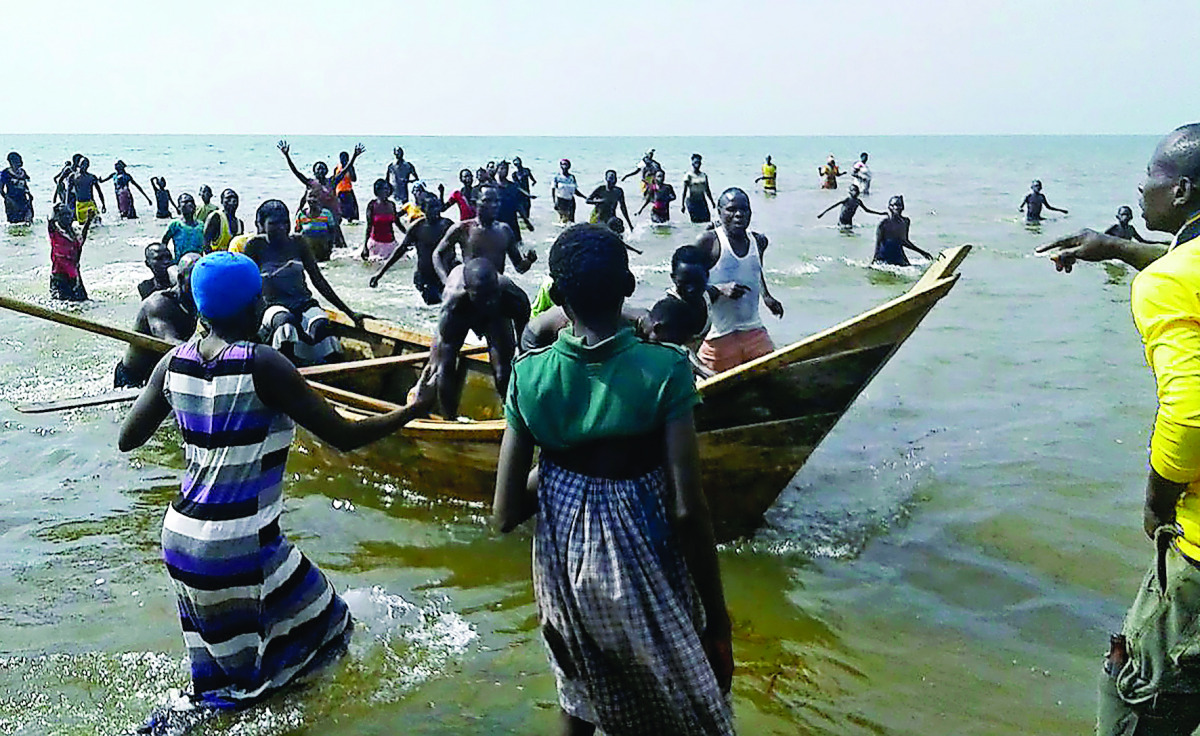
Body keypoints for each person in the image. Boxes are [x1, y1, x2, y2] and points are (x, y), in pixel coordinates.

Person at [118, 251, 434, 725]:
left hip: (181, 537)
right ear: (255, 304)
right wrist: (413, 407)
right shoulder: (263, 365)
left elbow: (128, 439)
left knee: (244, 657)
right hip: (239, 543)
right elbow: (344, 437)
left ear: (200, 310)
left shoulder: (172, 364)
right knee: (287, 658)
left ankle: (220, 712)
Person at [494, 223, 734, 736]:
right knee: (683, 702)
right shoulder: (665, 368)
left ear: (555, 296)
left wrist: (566, 466)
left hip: (563, 578)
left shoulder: (529, 376)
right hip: (645, 567)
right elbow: (688, 510)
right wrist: (719, 621)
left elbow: (505, 513)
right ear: (629, 286)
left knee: (579, 700)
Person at [1038, 123, 1200, 736]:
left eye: (1152, 175)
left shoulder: (1164, 286)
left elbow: (1190, 414)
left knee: (1132, 698)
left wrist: (1157, 501)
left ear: (1181, 190)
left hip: (1198, 545)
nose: (1142, 184)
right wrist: (1113, 246)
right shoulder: (1178, 268)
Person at [242, 200, 365, 365]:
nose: (281, 228)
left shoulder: (298, 243)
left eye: (285, 222)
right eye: (274, 223)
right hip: (272, 307)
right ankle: (285, 372)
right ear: (260, 225)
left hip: (303, 303)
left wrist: (350, 313)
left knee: (322, 325)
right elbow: (245, 288)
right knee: (285, 325)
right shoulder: (255, 246)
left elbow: (318, 280)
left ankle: (331, 373)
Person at [696, 187, 784, 373]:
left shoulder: (759, 241)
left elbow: (755, 270)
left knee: (774, 376)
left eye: (744, 209)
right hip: (718, 336)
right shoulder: (708, 242)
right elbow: (687, 285)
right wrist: (719, 289)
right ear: (719, 212)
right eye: (731, 209)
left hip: (753, 330)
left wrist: (767, 296)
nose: (739, 214)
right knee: (715, 389)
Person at [427, 258, 530, 417]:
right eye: (482, 296)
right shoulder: (453, 308)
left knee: (503, 372)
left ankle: (512, 413)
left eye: (492, 293)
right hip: (464, 313)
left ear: (497, 283)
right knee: (439, 370)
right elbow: (447, 367)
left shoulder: (513, 298)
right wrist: (449, 422)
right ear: (467, 289)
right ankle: (448, 418)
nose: (489, 301)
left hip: (496, 316)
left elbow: (526, 351)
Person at [114, 252, 199, 389]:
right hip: (134, 378)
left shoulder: (196, 298)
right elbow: (169, 343)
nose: (199, 286)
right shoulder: (158, 304)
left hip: (163, 369)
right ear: (181, 279)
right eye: (195, 280)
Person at [434, 185, 536, 285]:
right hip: (469, 288)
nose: (494, 205)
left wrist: (529, 260)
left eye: (497, 201)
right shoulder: (463, 229)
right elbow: (437, 254)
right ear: (474, 204)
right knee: (448, 301)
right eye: (487, 201)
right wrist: (446, 280)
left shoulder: (505, 230)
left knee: (521, 299)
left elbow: (519, 267)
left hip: (496, 287)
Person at [370, 192, 454, 304]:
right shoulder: (417, 227)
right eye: (431, 207)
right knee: (434, 305)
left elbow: (464, 245)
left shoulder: (448, 225)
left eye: (437, 206)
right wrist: (380, 273)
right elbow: (400, 250)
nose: (436, 210)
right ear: (423, 209)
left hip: (445, 275)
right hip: (425, 276)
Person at [48, 203, 94, 301]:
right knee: (61, 308)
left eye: (68, 214)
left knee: (83, 304)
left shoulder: (74, 234)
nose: (67, 217)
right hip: (60, 277)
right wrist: (55, 209)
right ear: (58, 217)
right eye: (63, 215)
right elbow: (50, 221)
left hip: (74, 276)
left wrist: (88, 221)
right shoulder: (56, 233)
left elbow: (82, 240)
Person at [874, 195, 933, 266]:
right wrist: (874, 260)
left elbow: (904, 241)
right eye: (893, 205)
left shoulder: (905, 221)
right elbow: (878, 244)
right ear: (889, 207)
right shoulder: (883, 224)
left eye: (899, 205)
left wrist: (922, 252)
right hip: (884, 255)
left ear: (903, 207)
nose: (896, 207)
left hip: (898, 253)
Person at [360, 179, 406, 261]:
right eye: (384, 189)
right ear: (377, 190)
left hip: (391, 243)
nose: (387, 191)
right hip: (376, 244)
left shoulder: (392, 205)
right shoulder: (372, 205)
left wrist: (410, 236)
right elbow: (369, 227)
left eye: (388, 189)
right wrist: (365, 247)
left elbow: (398, 223)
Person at [495, 160, 535, 241]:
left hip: (512, 223)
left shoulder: (513, 186)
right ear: (497, 169)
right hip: (497, 224)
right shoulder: (492, 187)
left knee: (517, 246)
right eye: (502, 168)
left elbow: (519, 205)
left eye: (507, 168)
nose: (505, 171)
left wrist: (527, 222)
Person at [818, 183, 885, 229]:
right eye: (853, 191)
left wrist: (881, 213)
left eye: (856, 191)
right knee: (844, 232)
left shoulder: (858, 201)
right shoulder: (846, 199)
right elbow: (833, 206)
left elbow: (867, 210)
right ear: (850, 192)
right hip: (842, 220)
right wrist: (823, 213)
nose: (855, 192)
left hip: (849, 220)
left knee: (849, 232)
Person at [162, 193, 205, 262]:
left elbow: (206, 245)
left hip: (198, 264)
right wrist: (168, 259)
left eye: (191, 202)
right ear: (179, 207)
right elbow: (164, 243)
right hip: (180, 263)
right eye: (185, 202)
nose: (189, 204)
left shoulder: (201, 225)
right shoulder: (175, 224)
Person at [294, 192, 337, 262]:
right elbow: (297, 234)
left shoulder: (326, 214)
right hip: (308, 252)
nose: (312, 199)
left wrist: (330, 247)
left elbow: (333, 231)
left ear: (319, 199)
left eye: (315, 197)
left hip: (324, 250)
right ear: (306, 199)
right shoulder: (301, 215)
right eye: (310, 197)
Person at [1104, 205, 1169, 245]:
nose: (1125, 217)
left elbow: (1141, 241)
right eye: (1123, 214)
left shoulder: (1131, 229)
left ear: (1131, 217)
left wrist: (1160, 243)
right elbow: (1102, 238)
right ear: (1118, 217)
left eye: (1127, 215)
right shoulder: (1114, 228)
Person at [203, 188, 243, 252]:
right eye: (228, 198)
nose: (232, 200)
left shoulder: (240, 223)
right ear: (222, 201)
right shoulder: (216, 217)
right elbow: (205, 243)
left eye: (235, 198)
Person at [681, 154, 716, 224]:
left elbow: (707, 190)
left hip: (702, 200)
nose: (697, 164)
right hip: (692, 201)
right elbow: (684, 191)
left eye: (699, 162)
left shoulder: (703, 175)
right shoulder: (688, 176)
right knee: (695, 221)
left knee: (707, 220)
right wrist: (682, 205)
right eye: (695, 162)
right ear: (692, 163)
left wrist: (712, 202)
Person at [70, 157, 106, 224]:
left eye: (86, 164)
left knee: (97, 223)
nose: (84, 166)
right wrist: (67, 206)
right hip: (79, 204)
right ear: (79, 164)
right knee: (82, 225)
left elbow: (99, 192)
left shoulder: (91, 177)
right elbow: (68, 192)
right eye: (82, 163)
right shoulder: (73, 176)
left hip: (90, 203)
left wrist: (103, 204)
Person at [1, 152, 34, 224]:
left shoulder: (22, 172)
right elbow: (1, 189)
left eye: (18, 161)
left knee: (28, 220)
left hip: (23, 199)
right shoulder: (5, 173)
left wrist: (29, 195)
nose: (17, 163)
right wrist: (7, 199)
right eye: (15, 161)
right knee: (14, 223)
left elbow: (25, 186)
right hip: (12, 201)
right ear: (10, 162)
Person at [551, 159, 585, 223]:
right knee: (563, 220)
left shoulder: (572, 177)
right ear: (560, 166)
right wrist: (554, 202)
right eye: (562, 164)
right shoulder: (557, 177)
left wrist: (584, 197)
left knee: (571, 221)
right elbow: (553, 190)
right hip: (561, 200)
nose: (564, 166)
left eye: (566, 164)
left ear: (569, 166)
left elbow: (575, 191)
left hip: (571, 201)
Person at [334, 150, 360, 222]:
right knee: (342, 211)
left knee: (353, 212)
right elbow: (334, 181)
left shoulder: (350, 167)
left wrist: (350, 170)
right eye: (342, 158)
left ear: (348, 159)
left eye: (345, 159)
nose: (343, 160)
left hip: (348, 191)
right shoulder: (337, 168)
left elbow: (354, 179)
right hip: (340, 192)